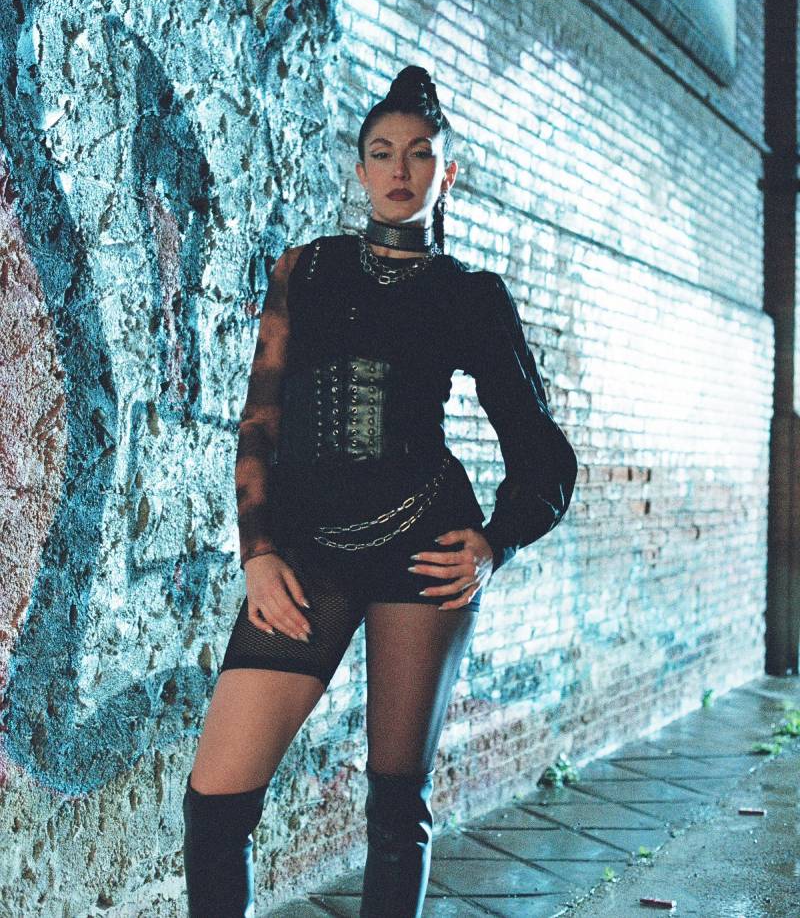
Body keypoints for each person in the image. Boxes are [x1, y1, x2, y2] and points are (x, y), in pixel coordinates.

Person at [181, 64, 578, 918]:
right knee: (216, 803)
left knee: (396, 808)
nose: (401, 168)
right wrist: (258, 553)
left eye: (420, 152)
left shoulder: (471, 296)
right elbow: (260, 420)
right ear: (360, 169)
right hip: (308, 555)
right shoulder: (305, 270)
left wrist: (495, 542)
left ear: (447, 172)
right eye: (383, 151)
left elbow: (540, 450)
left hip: (423, 548)